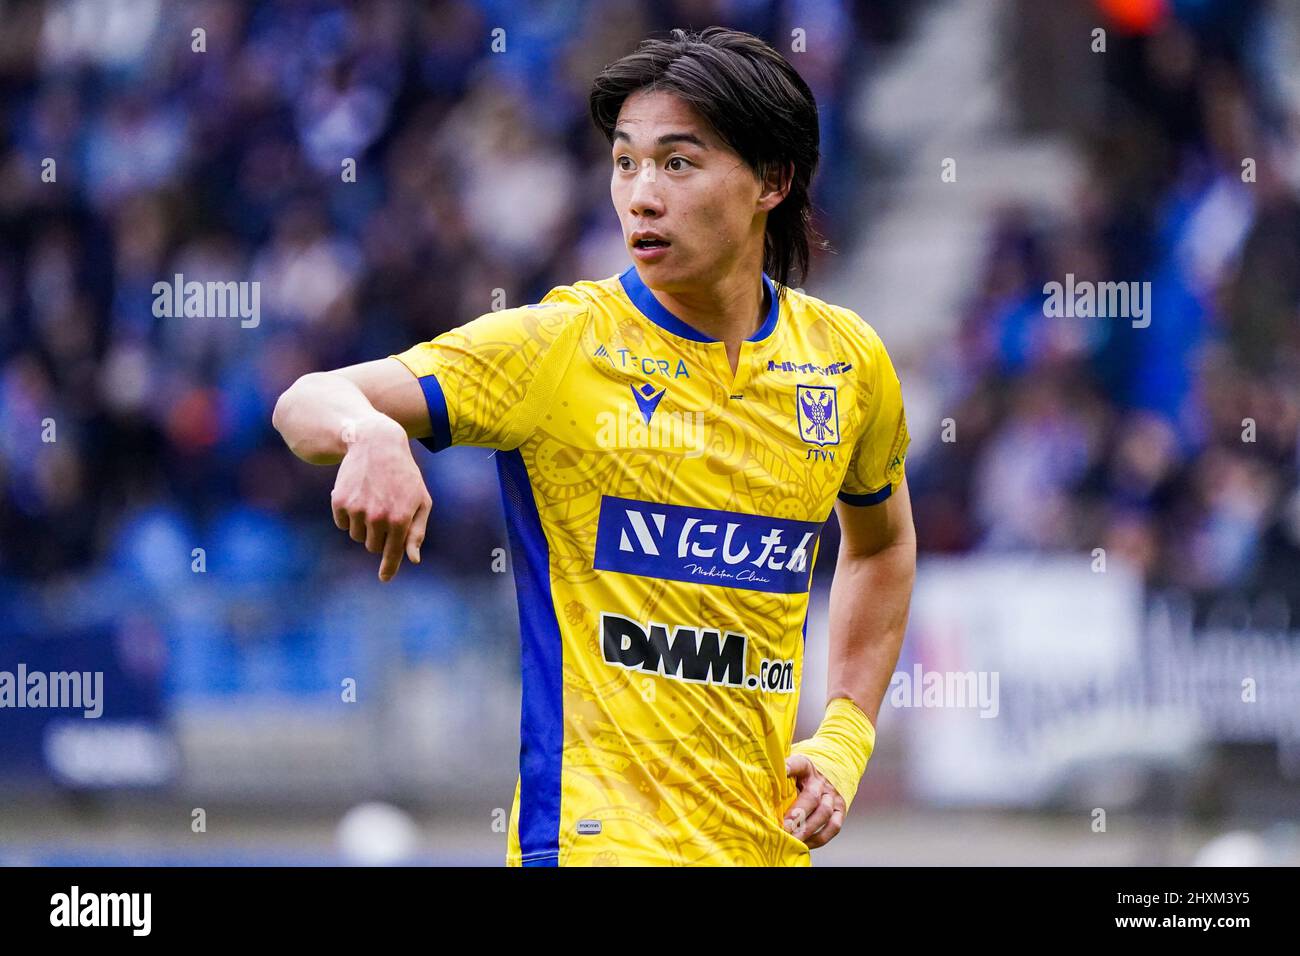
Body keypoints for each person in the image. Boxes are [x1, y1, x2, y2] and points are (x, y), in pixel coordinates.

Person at [272, 26, 915, 866]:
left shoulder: (845, 362)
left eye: (677, 163)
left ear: (772, 180)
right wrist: (371, 432)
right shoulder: (558, 346)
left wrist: (843, 741)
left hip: (764, 850)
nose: (642, 195)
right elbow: (305, 399)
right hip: (587, 846)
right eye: (625, 163)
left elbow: (883, 544)